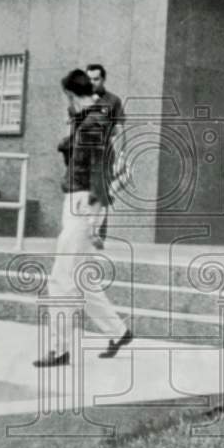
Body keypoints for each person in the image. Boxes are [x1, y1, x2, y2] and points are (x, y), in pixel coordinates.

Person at [34, 69, 132, 367]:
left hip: (83, 202)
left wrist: (94, 219)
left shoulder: (92, 123)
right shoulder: (90, 119)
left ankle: (59, 348)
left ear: (71, 94)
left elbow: (102, 172)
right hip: (79, 200)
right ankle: (118, 331)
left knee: (61, 278)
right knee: (82, 277)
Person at [85, 63, 125, 249]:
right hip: (83, 155)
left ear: (103, 79)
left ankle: (98, 235)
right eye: (89, 79)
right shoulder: (81, 100)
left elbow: (120, 129)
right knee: (85, 194)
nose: (92, 82)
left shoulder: (113, 101)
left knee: (102, 193)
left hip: (104, 154)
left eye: (96, 79)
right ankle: (86, 234)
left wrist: (122, 154)